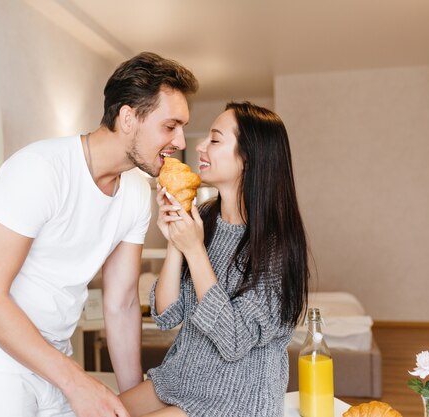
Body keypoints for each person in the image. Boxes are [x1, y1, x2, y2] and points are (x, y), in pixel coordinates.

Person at [0, 52, 198, 417]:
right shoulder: (40, 170)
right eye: (170, 126)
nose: (180, 141)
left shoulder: (137, 193)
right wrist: (77, 382)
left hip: (55, 360)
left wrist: (129, 402)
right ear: (128, 118)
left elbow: (122, 302)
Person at [119, 102, 310, 417]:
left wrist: (194, 250)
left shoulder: (276, 248)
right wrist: (175, 242)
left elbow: (233, 339)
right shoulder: (205, 218)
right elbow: (167, 315)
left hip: (236, 401)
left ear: (248, 158)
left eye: (215, 140)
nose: (199, 146)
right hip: (180, 379)